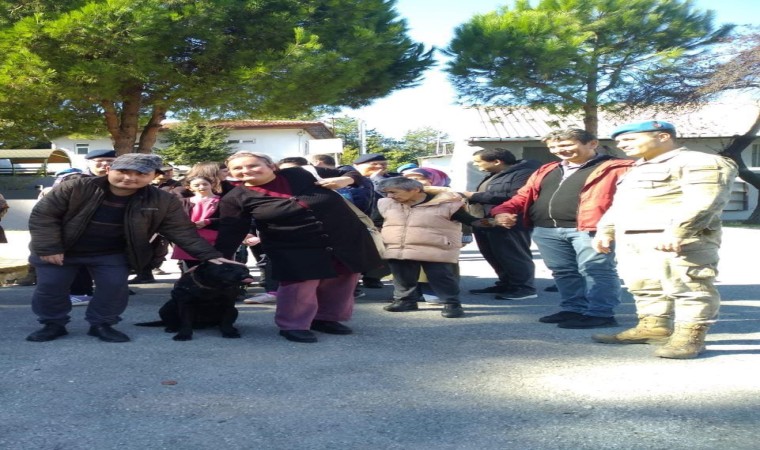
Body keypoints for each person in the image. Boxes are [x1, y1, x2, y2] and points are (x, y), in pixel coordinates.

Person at [26, 153, 237, 343]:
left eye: (140, 174)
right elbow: (44, 216)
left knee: (114, 287)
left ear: (154, 176)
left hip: (111, 252)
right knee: (51, 287)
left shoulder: (163, 200)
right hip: (62, 248)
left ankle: (102, 324)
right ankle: (53, 324)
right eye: (123, 171)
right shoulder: (76, 187)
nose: (129, 177)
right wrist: (49, 247)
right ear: (109, 170)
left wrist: (210, 256)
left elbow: (181, 231)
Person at [591, 120, 737, 359]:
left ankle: (689, 339)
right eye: (619, 141)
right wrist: (605, 230)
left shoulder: (700, 162)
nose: (622, 145)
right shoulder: (637, 168)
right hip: (635, 239)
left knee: (690, 287)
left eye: (629, 139)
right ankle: (654, 328)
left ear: (662, 136)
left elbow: (706, 201)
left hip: (676, 240)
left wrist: (679, 232)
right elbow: (621, 205)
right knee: (644, 285)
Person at [216, 152, 382, 343]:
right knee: (299, 286)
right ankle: (293, 325)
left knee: (342, 279)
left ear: (271, 165)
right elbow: (231, 230)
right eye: (237, 168)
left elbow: (352, 174)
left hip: (343, 237)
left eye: (253, 165)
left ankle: (326, 319)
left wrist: (346, 180)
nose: (246, 171)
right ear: (231, 173)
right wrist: (220, 257)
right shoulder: (236, 198)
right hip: (292, 246)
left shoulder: (300, 173)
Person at [492, 129, 633, 329]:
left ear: (592, 144)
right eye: (554, 147)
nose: (560, 150)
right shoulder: (548, 169)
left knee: (597, 271)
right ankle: (573, 309)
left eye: (566, 145)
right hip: (547, 229)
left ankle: (601, 313)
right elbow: (524, 195)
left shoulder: (617, 168)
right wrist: (503, 211)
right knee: (563, 272)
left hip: (589, 229)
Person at [377, 177, 487, 318]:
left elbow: (471, 221)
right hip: (398, 247)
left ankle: (452, 304)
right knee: (402, 277)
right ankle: (405, 301)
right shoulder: (386, 203)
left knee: (441, 277)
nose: (390, 196)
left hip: (436, 248)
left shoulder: (448, 204)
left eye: (393, 192)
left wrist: (493, 222)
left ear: (415, 190)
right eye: (386, 193)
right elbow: (376, 222)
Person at [461, 148, 542, 300]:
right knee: (493, 254)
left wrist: (473, 195)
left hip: (510, 221)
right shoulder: (494, 174)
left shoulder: (523, 173)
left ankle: (524, 288)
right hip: (487, 221)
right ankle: (506, 283)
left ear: (497, 161)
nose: (476, 165)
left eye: (478, 162)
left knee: (513, 254)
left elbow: (514, 197)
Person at [352, 153, 397, 288]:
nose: (379, 167)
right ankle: (354, 281)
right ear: (356, 166)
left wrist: (376, 180)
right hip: (355, 221)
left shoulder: (393, 179)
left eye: (383, 164)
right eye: (374, 164)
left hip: (383, 222)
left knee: (383, 252)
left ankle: (373, 277)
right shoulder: (347, 179)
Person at [171, 176, 221, 271]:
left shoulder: (222, 201)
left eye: (205, 184)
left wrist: (208, 221)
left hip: (213, 239)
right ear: (189, 187)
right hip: (190, 240)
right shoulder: (183, 202)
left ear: (212, 185)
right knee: (190, 271)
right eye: (196, 185)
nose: (201, 187)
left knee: (215, 270)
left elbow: (229, 219)